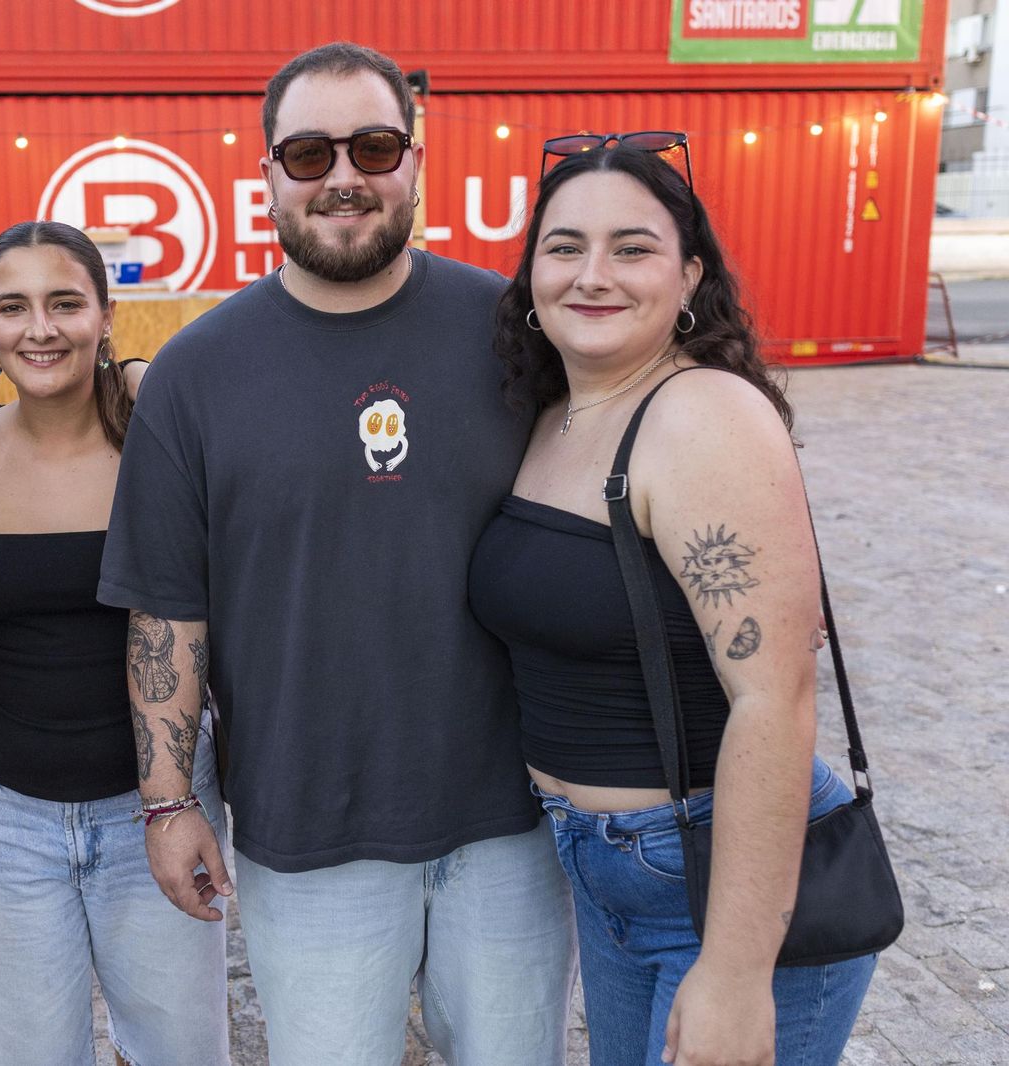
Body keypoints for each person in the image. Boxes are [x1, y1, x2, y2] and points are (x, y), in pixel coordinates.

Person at [98, 41, 577, 1066]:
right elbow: (165, 613)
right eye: (308, 154)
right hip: (306, 824)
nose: (344, 177)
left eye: (372, 146)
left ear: (415, 161)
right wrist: (168, 801)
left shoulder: (515, 333)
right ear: (266, 174)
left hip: (512, 817)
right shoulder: (193, 373)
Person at [469, 138, 879, 1065]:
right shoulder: (555, 413)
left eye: (633, 248)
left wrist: (737, 971)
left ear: (689, 273)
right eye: (565, 246)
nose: (593, 275)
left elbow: (776, 703)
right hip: (609, 878)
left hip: (719, 881)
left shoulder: (703, 416)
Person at [0, 220, 228, 1065]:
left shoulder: (160, 441)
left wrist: (148, 379)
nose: (40, 328)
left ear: (106, 314)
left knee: (181, 1050)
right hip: (0, 811)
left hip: (159, 801)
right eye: (14, 307)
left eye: (66, 302)